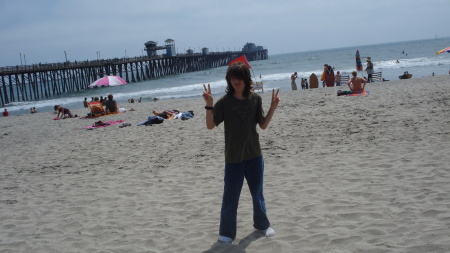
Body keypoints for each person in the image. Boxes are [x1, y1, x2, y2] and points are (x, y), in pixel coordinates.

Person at [202, 62, 279, 244]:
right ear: (229, 80)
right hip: (233, 158)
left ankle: (262, 225)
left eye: (240, 78)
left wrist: (273, 107)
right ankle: (227, 233)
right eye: (233, 78)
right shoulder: (224, 102)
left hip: (254, 155)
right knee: (230, 197)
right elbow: (210, 126)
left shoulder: (255, 99)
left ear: (246, 79)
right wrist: (209, 106)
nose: (236, 81)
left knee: (257, 194)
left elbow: (263, 125)